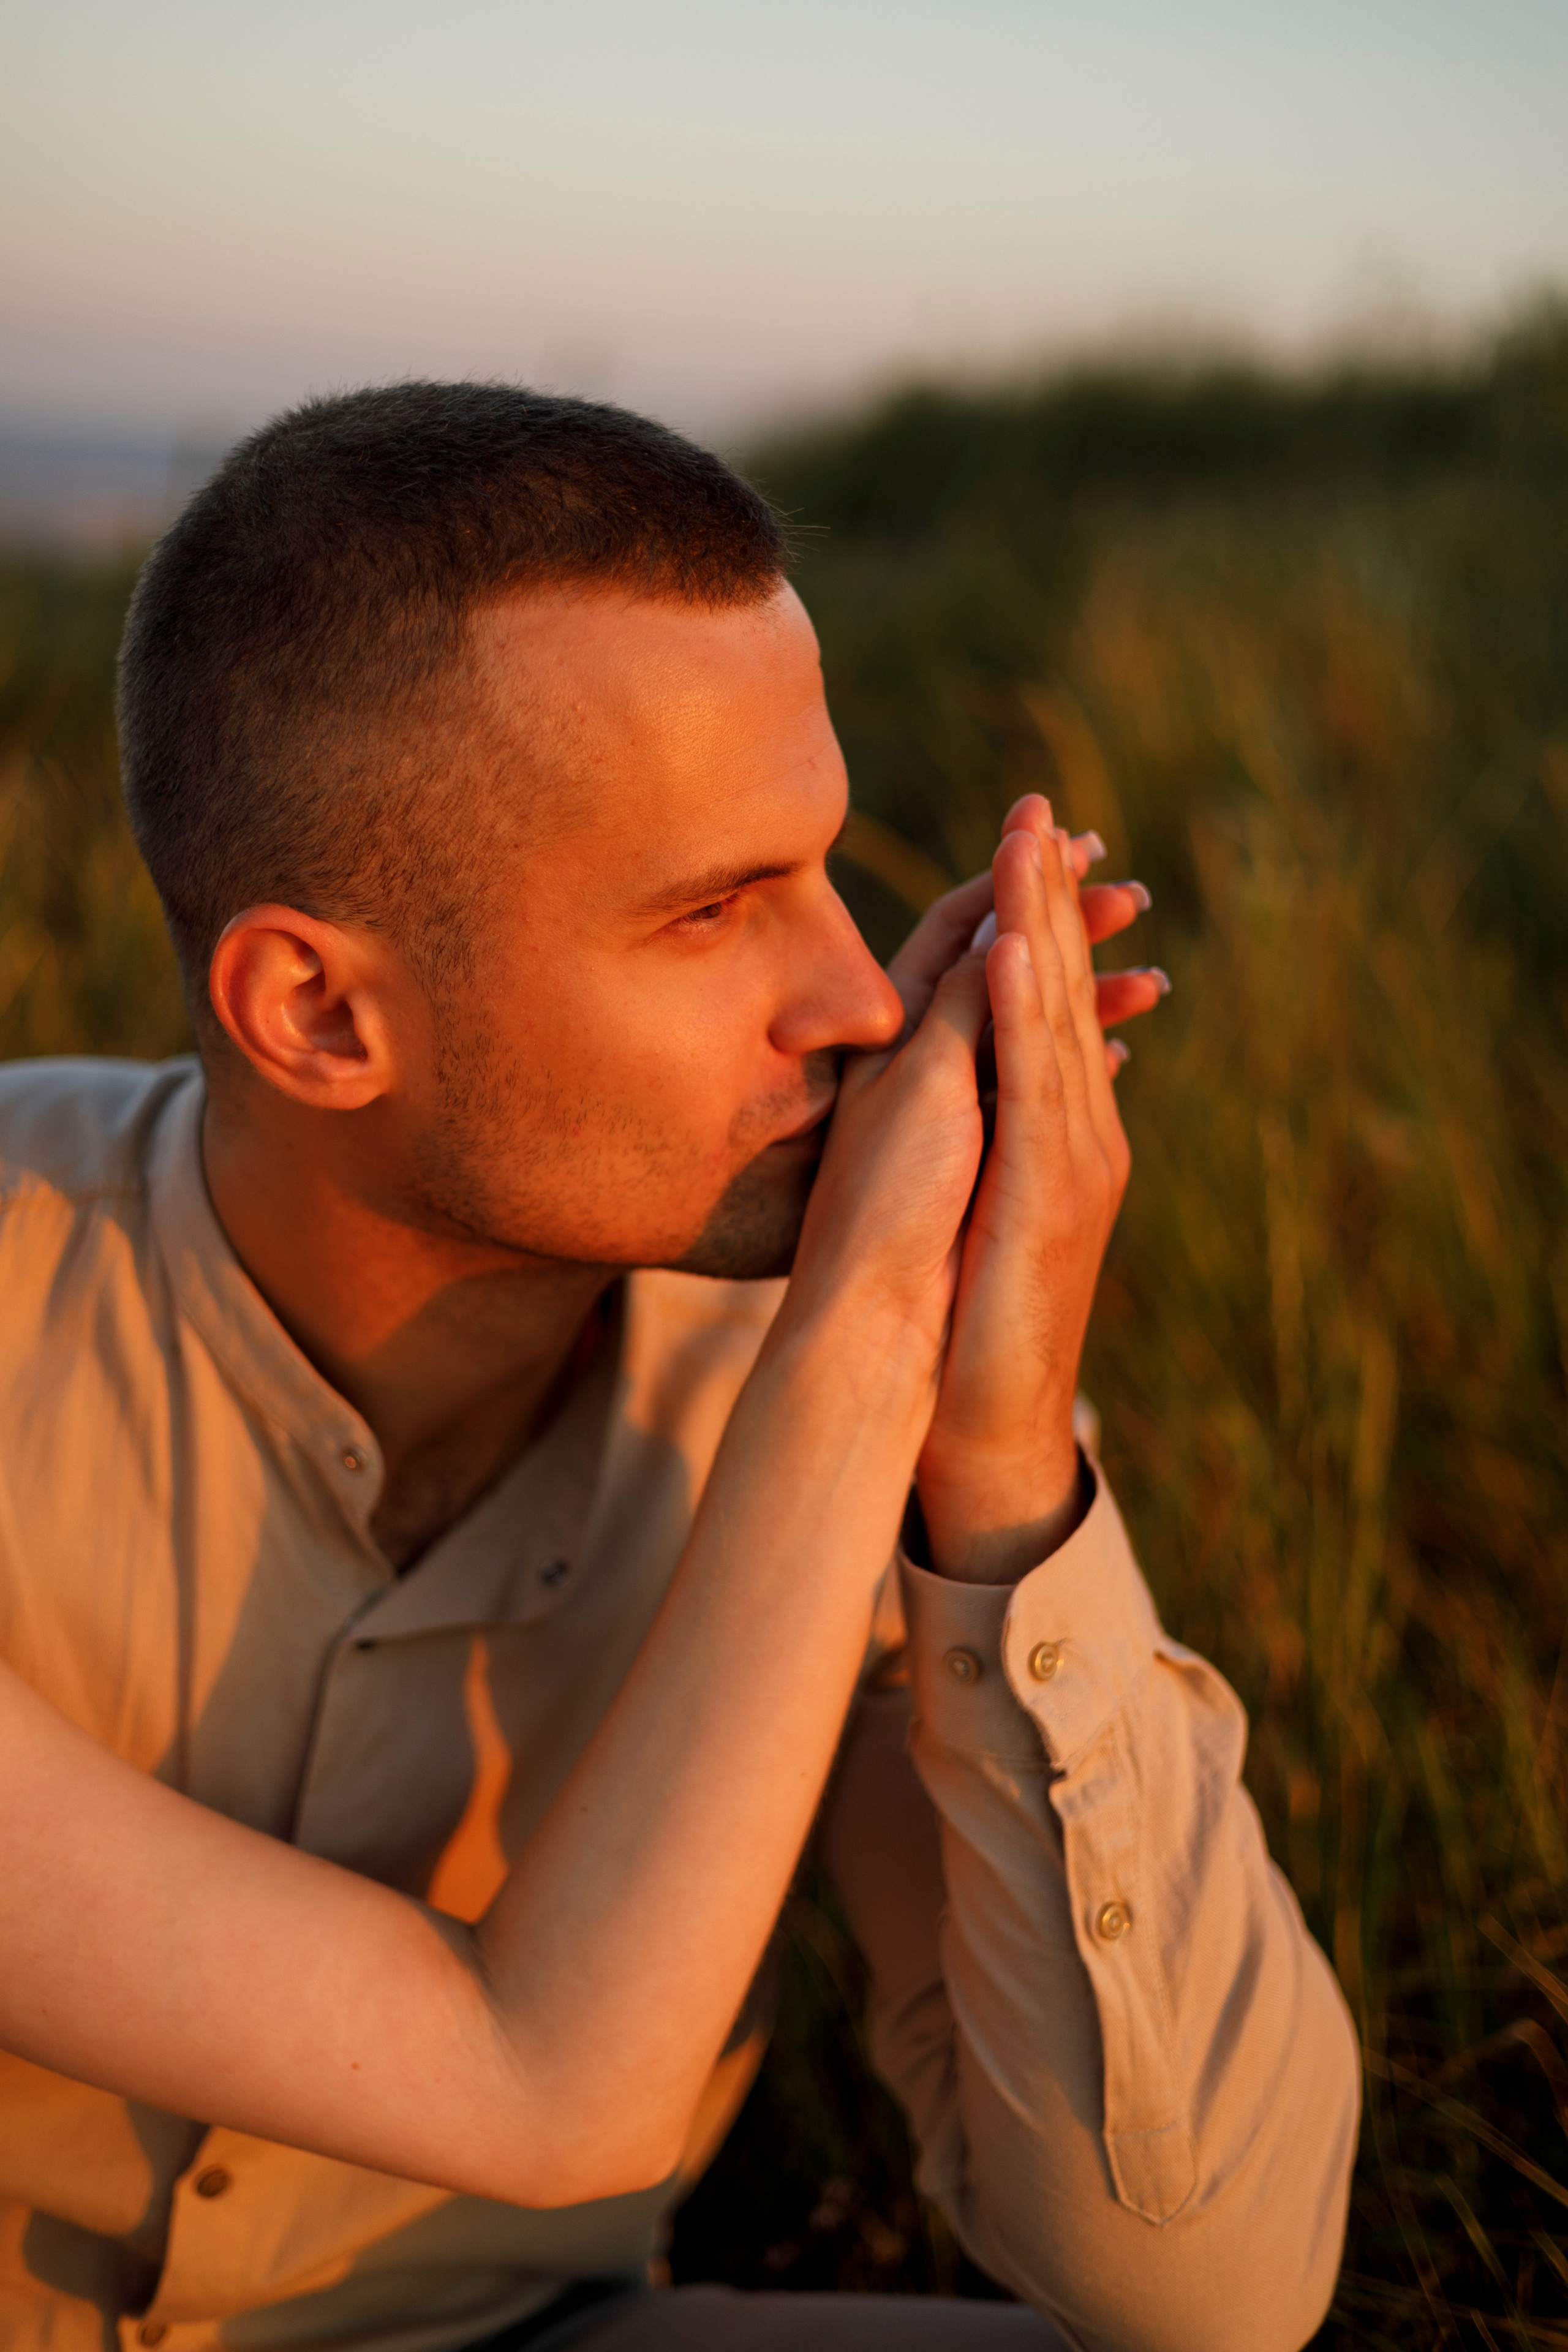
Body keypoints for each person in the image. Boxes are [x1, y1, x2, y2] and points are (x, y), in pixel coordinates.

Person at [0, 384, 1358, 2352]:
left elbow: (1210, 2291)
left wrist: (995, 1477)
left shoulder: (834, 1389)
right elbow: (553, 2084)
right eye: (712, 910)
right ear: (314, 1010)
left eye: (819, 868)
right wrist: (877, 1329)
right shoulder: (837, 1351)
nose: (847, 990)